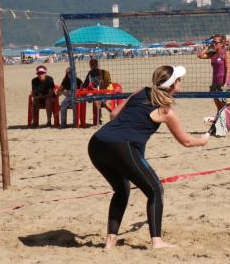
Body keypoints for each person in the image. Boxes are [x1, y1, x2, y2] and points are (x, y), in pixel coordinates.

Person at [88, 65, 209, 249]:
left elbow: (113, 115)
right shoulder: (166, 112)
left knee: (121, 191)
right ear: (172, 85)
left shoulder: (140, 92)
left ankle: (110, 241)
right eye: (179, 79)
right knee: (155, 190)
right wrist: (204, 139)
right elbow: (186, 142)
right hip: (121, 146)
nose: (180, 81)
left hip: (97, 143)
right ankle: (157, 241)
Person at [196, 34, 230, 111]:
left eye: (215, 42)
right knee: (218, 106)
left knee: (224, 106)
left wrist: (225, 83)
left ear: (221, 43)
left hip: (224, 82)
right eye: (213, 42)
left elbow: (228, 68)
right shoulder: (213, 54)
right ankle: (219, 121)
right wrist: (208, 47)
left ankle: (225, 122)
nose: (213, 44)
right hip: (215, 83)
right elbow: (200, 55)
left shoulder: (225, 53)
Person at [83, 58, 113, 123]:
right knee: (96, 101)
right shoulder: (90, 73)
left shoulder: (105, 73)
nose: (92, 66)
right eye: (91, 65)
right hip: (96, 94)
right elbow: (85, 85)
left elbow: (110, 85)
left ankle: (116, 115)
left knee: (105, 104)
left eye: (93, 64)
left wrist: (108, 93)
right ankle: (98, 119)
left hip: (105, 93)